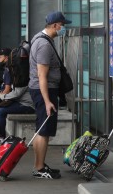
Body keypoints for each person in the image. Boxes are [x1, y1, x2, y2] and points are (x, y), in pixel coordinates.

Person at [28, 11, 72, 179]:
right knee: (44, 130)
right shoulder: (44, 45)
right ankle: (39, 169)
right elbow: (42, 76)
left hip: (43, 90)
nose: (64, 28)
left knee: (43, 129)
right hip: (43, 91)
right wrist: (47, 101)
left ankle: (40, 165)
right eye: (63, 25)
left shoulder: (40, 38)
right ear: (55, 25)